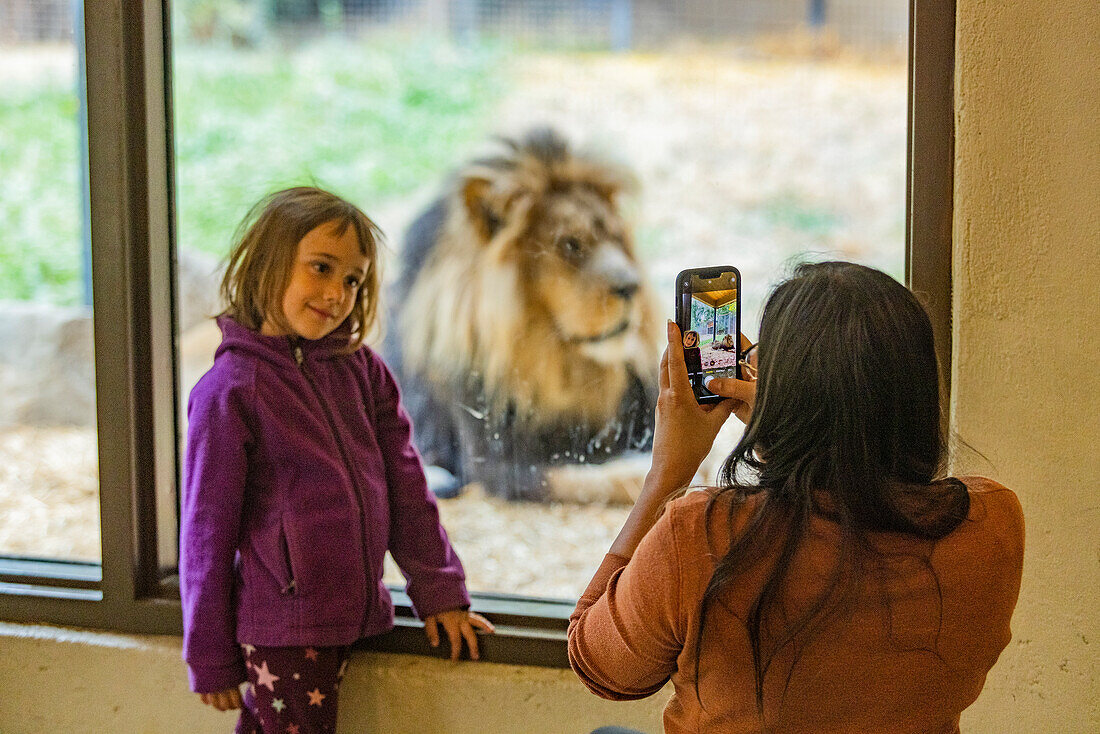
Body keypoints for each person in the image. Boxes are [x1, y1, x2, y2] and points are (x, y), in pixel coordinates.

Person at [569, 261, 1024, 733]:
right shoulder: (993, 519)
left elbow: (601, 667)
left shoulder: (702, 534)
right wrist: (785, 439)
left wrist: (667, 474)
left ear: (785, 395)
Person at [180, 187, 494, 734]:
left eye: (352, 279)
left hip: (348, 615)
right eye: (321, 268)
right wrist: (208, 654)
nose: (337, 293)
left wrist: (440, 592)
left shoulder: (362, 371)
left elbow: (405, 485)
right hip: (286, 629)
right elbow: (206, 533)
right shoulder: (230, 391)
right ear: (267, 263)